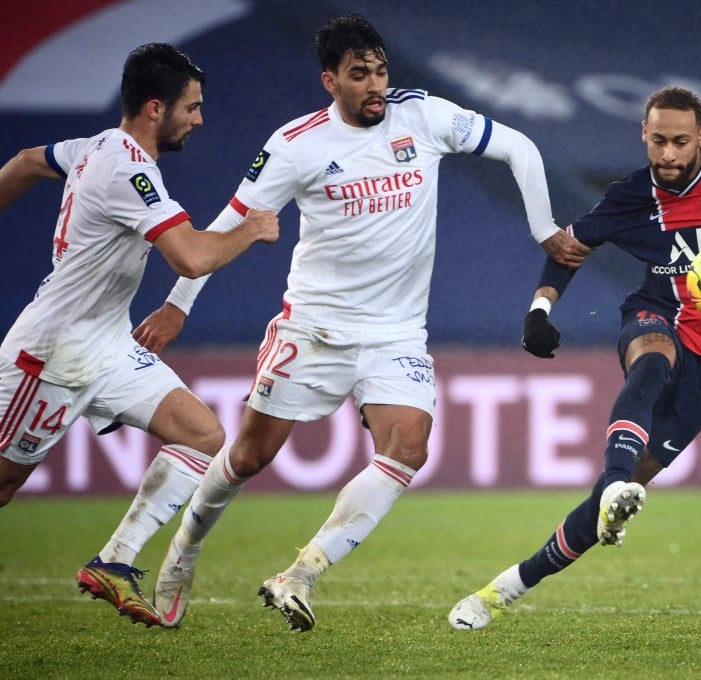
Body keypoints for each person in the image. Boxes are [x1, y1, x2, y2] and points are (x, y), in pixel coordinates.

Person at [135, 13, 589, 631]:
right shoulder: (296, 145)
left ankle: (301, 573)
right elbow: (226, 223)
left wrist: (543, 229)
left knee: (409, 448)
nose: (376, 85)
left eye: (380, 71)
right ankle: (183, 552)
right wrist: (176, 304)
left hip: (396, 333)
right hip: (314, 329)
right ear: (330, 82)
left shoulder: (422, 116)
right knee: (248, 456)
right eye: (359, 75)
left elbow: (519, 146)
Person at [448, 86, 701, 630]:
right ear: (643, 133)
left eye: (681, 142)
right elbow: (568, 249)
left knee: (606, 503)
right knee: (652, 360)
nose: (667, 154)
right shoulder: (631, 196)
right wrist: (539, 311)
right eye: (658, 140)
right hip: (656, 313)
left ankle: (504, 589)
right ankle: (617, 482)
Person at [0, 43, 279, 628]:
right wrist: (250, 231)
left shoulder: (94, 147)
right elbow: (191, 258)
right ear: (154, 108)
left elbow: (23, 160)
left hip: (108, 346)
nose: (199, 119)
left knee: (202, 434)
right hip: (54, 355)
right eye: (191, 108)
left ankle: (113, 562)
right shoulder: (128, 168)